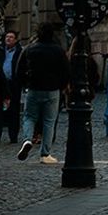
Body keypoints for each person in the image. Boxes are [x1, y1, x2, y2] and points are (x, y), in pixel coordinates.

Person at [16, 21, 70, 163]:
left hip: (34, 88)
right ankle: (45, 153)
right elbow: (66, 70)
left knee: (29, 117)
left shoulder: (29, 49)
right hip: (52, 89)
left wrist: (25, 84)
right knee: (49, 121)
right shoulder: (58, 51)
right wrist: (62, 85)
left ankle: (27, 139)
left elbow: (19, 69)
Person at [0, 28, 24, 143]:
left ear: (15, 40)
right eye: (7, 37)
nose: (8, 39)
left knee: (13, 110)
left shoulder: (20, 52)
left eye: (11, 37)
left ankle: (13, 135)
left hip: (13, 84)